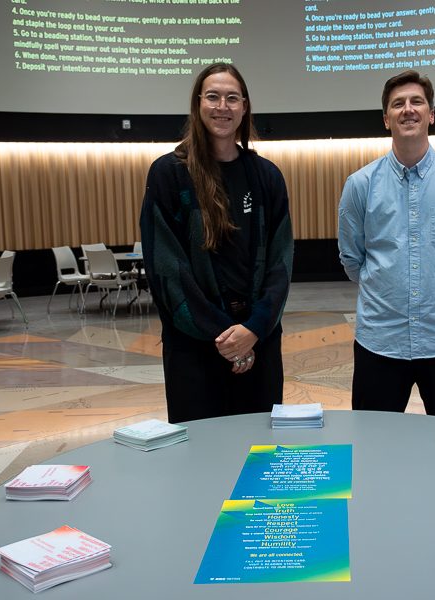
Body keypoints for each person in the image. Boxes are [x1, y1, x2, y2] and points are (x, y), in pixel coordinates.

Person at [140, 63, 294, 424]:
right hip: (194, 349)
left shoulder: (267, 176)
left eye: (231, 98)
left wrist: (253, 330)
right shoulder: (168, 174)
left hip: (260, 342)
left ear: (244, 108)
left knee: (261, 454)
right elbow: (167, 270)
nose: (222, 106)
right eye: (212, 96)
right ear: (197, 105)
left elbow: (281, 262)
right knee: (201, 461)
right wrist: (226, 339)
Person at [337, 70, 435, 419]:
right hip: (381, 341)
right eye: (398, 104)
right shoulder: (360, 184)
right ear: (386, 118)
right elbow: (352, 258)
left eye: (416, 101)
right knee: (373, 448)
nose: (408, 109)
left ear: (431, 114)